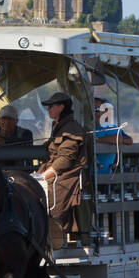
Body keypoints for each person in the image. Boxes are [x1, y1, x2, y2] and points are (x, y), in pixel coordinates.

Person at [37, 91, 87, 238]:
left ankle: (55, 236)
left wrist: (43, 177)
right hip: (57, 173)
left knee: (48, 195)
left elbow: (65, 159)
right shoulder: (60, 126)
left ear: (61, 107)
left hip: (66, 176)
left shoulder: (71, 129)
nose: (48, 110)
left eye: (51, 106)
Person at [93, 93, 132, 175]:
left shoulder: (110, 127)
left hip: (102, 176)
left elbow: (119, 139)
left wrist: (95, 140)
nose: (95, 113)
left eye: (98, 110)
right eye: (92, 109)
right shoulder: (86, 128)